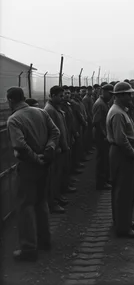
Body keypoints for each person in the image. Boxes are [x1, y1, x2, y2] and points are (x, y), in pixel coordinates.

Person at [6, 87, 60, 261]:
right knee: (41, 202)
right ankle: (45, 241)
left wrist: (36, 158)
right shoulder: (40, 112)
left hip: (29, 167)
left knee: (25, 206)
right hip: (45, 164)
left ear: (10, 100)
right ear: (24, 97)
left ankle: (28, 248)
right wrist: (49, 149)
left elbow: (20, 147)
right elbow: (55, 132)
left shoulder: (14, 119)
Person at [106, 81, 134, 239]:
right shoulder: (118, 113)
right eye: (128, 94)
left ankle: (124, 221)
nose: (131, 96)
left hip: (121, 153)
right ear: (120, 96)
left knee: (125, 190)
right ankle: (123, 227)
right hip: (122, 153)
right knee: (123, 191)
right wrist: (132, 151)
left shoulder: (120, 110)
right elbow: (121, 139)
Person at [45, 86, 72, 214]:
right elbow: (52, 132)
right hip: (57, 150)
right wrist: (58, 147)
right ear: (53, 95)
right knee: (53, 177)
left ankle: (57, 197)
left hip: (61, 148)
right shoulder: (49, 110)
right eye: (60, 96)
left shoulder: (56, 108)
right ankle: (53, 202)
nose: (62, 98)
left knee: (59, 175)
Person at [92, 84, 113, 190]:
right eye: (110, 94)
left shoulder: (104, 103)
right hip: (101, 136)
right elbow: (97, 122)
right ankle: (101, 183)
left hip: (103, 134)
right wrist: (104, 135)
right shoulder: (100, 104)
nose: (111, 96)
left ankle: (105, 179)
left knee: (105, 159)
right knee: (102, 159)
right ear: (104, 92)